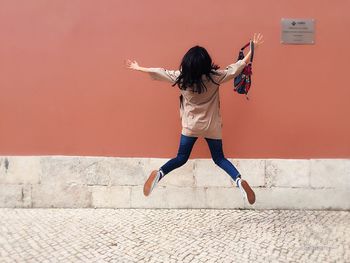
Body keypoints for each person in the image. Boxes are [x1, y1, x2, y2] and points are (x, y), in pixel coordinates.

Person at [125, 33, 264, 205]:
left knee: (181, 158)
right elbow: (237, 67)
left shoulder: (181, 78)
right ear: (206, 63)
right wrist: (253, 49)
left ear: (187, 63)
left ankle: (160, 173)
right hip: (212, 126)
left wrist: (139, 68)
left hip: (190, 126)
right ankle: (238, 181)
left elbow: (159, 72)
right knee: (219, 159)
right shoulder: (215, 77)